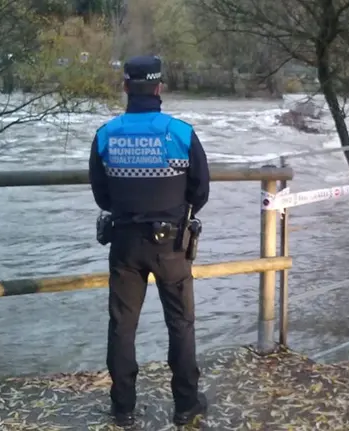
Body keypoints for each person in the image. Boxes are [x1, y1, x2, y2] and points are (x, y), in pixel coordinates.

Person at [88, 55, 210, 428]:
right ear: (159, 88)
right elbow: (200, 190)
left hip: (124, 243)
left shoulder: (106, 134)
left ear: (126, 87)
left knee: (122, 326)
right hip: (171, 244)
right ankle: (186, 404)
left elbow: (101, 196)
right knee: (180, 323)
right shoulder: (181, 133)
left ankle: (123, 408)